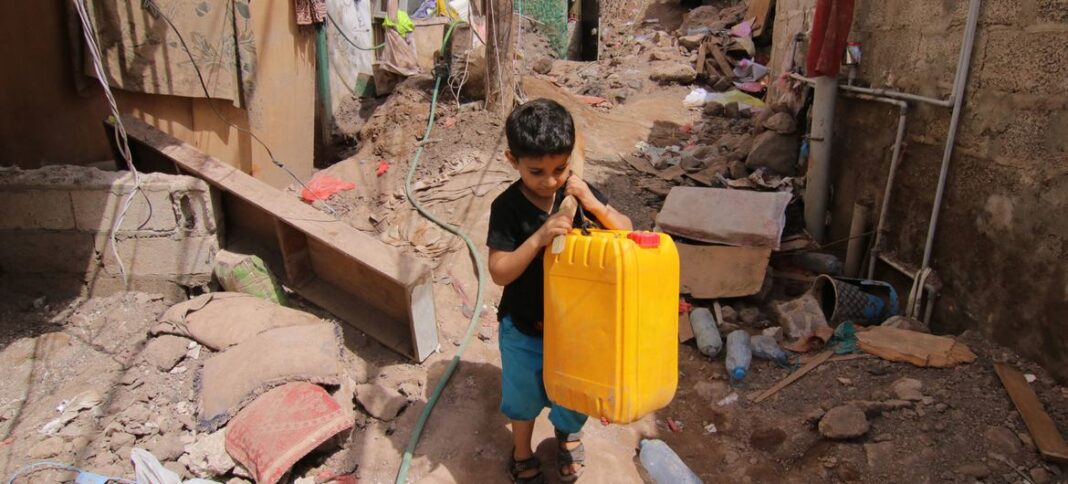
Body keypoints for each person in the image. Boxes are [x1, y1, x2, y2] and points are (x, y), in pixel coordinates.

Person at [487, 98, 633, 483]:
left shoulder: (580, 193)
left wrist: (591, 203)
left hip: (577, 329)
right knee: (524, 396)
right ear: (511, 160)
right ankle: (522, 448)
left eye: (559, 168)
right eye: (536, 171)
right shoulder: (507, 207)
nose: (550, 180)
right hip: (524, 328)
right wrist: (538, 238)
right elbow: (500, 271)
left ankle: (567, 435)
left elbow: (627, 231)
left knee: (573, 393)